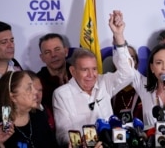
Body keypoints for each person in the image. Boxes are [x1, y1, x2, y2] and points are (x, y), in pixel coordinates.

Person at [52, 10, 134, 146]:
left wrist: (118, 36)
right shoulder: (61, 94)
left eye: (94, 69)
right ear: (73, 71)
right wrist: (80, 143)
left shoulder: (104, 82)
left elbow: (128, 74)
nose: (91, 75)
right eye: (85, 70)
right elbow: (62, 134)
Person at [0, 71, 58, 147]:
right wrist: (0, 144)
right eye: (29, 88)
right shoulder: (2, 126)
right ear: (13, 97)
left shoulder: (39, 116)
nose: (35, 91)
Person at [37, 33, 72, 130]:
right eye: (48, 52)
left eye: (57, 49)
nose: (53, 55)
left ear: (66, 51)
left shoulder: (80, 74)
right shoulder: (37, 83)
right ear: (42, 57)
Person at [111, 45, 143, 122]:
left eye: (132, 58)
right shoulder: (109, 87)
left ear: (137, 63)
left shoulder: (144, 87)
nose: (128, 62)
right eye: (123, 59)